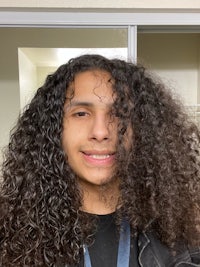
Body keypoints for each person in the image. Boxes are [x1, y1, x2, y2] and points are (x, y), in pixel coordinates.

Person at [1, 54, 200, 267]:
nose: (101, 132)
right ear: (53, 129)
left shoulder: (182, 237)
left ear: (142, 129)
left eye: (119, 114)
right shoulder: (11, 236)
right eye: (81, 114)